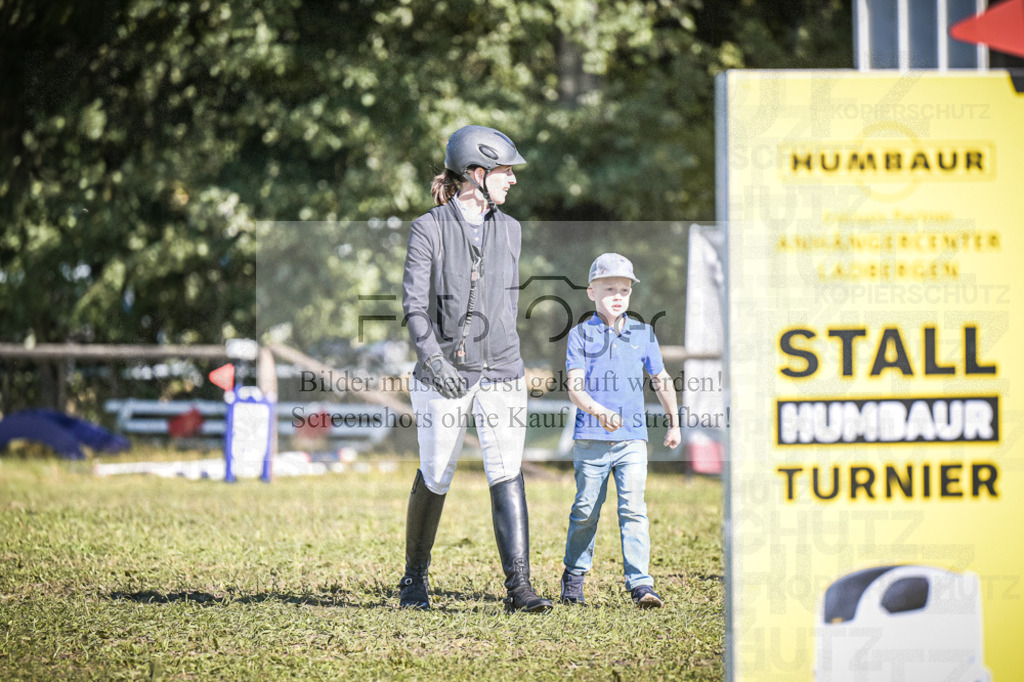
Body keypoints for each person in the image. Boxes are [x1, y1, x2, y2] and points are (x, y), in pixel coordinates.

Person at [398, 124, 552, 613]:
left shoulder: (511, 229)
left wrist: (510, 362)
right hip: (444, 371)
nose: (513, 181)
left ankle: (519, 588)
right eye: (506, 171)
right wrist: (434, 358)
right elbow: (414, 306)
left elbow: (503, 304)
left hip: (502, 369)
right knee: (437, 471)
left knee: (506, 470)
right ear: (476, 173)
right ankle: (414, 579)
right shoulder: (429, 227)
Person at [560, 253, 682, 608]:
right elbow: (575, 387)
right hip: (591, 440)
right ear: (591, 292)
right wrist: (597, 411)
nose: (618, 295)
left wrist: (674, 422)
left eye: (624, 290)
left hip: (632, 440)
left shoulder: (643, 334)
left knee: (634, 510)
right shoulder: (580, 335)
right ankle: (574, 576)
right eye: (609, 288)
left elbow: (660, 379)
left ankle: (641, 585)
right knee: (585, 509)